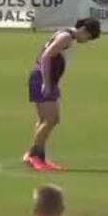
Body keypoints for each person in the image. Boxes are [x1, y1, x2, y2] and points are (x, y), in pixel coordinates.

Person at [23, 19, 102, 172]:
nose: (86, 41)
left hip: (45, 78)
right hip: (43, 78)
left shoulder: (65, 34)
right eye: (88, 37)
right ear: (84, 30)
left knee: (45, 120)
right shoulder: (66, 37)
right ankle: (33, 155)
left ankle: (39, 157)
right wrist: (46, 83)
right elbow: (46, 56)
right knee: (52, 119)